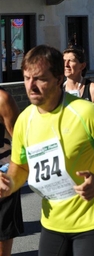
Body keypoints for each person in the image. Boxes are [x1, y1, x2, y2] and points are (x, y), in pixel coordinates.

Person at [0, 45, 94, 255]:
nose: (31, 86)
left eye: (40, 79)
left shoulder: (87, 112)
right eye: (27, 78)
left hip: (92, 219)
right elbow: (21, 165)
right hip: (52, 221)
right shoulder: (25, 120)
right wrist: (9, 184)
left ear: (57, 79)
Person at [0, 87, 23, 256]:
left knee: (2, 233)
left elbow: (21, 142)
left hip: (2, 176)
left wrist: (10, 171)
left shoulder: (3, 99)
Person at [63, 48, 94, 116]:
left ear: (82, 66)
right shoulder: (57, 89)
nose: (66, 64)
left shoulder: (93, 89)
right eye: (64, 61)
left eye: (71, 61)